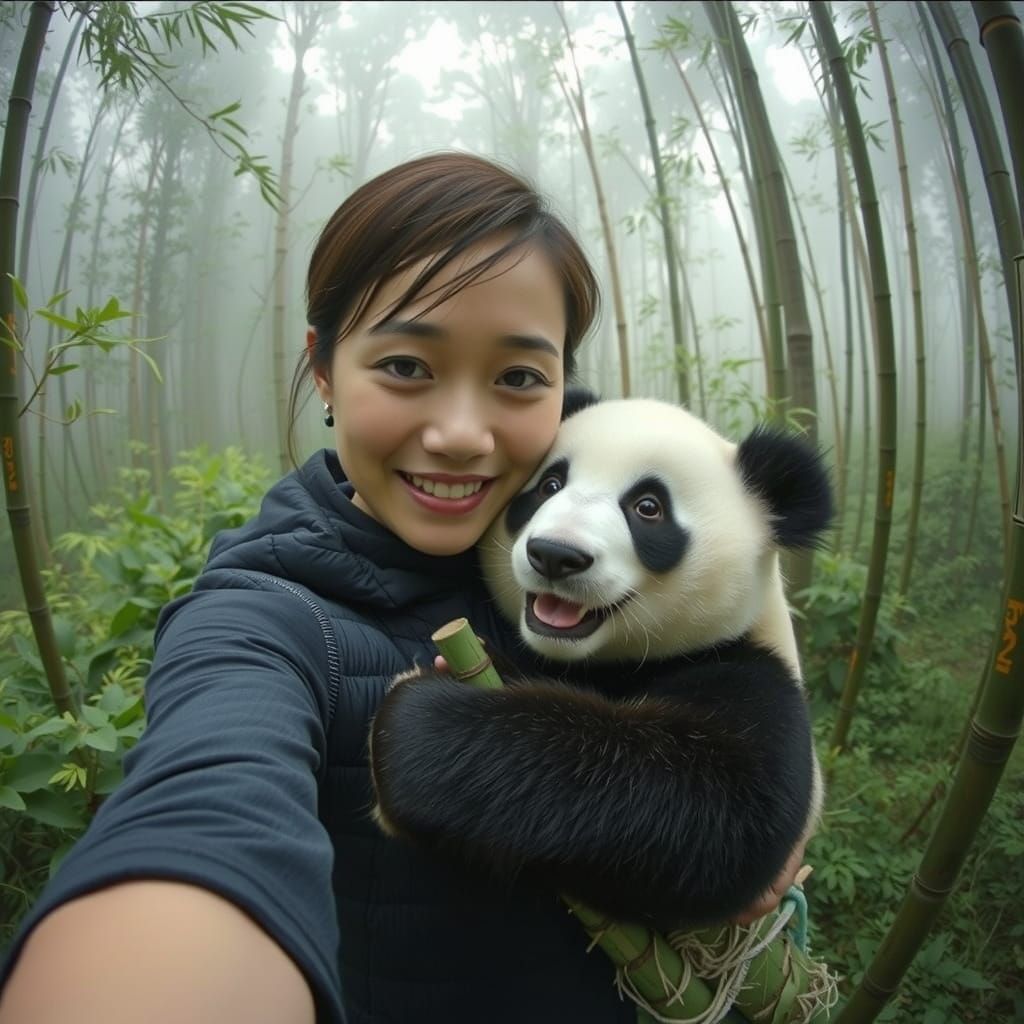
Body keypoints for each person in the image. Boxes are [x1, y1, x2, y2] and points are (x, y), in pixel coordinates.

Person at [0, 153, 804, 1024]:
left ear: (563, 396)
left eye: (520, 378)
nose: (462, 436)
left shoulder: (558, 574)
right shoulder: (265, 618)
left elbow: (741, 795)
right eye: (407, 366)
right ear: (323, 368)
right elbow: (207, 803)